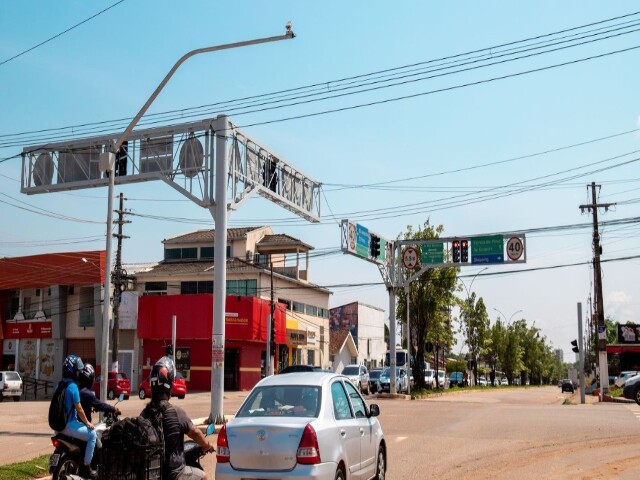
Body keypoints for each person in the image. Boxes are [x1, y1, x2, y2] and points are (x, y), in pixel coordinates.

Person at [141, 356, 214, 480]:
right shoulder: (175, 412)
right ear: (169, 384)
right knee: (204, 477)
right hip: (174, 474)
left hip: (152, 473)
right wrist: (207, 445)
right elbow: (195, 433)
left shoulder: (144, 414)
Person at [55, 354, 97, 479]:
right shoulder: (73, 387)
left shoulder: (59, 385)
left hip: (57, 427)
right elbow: (79, 409)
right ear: (73, 371)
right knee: (92, 435)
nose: (79, 372)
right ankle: (87, 466)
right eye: (77, 370)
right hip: (69, 425)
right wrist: (88, 423)